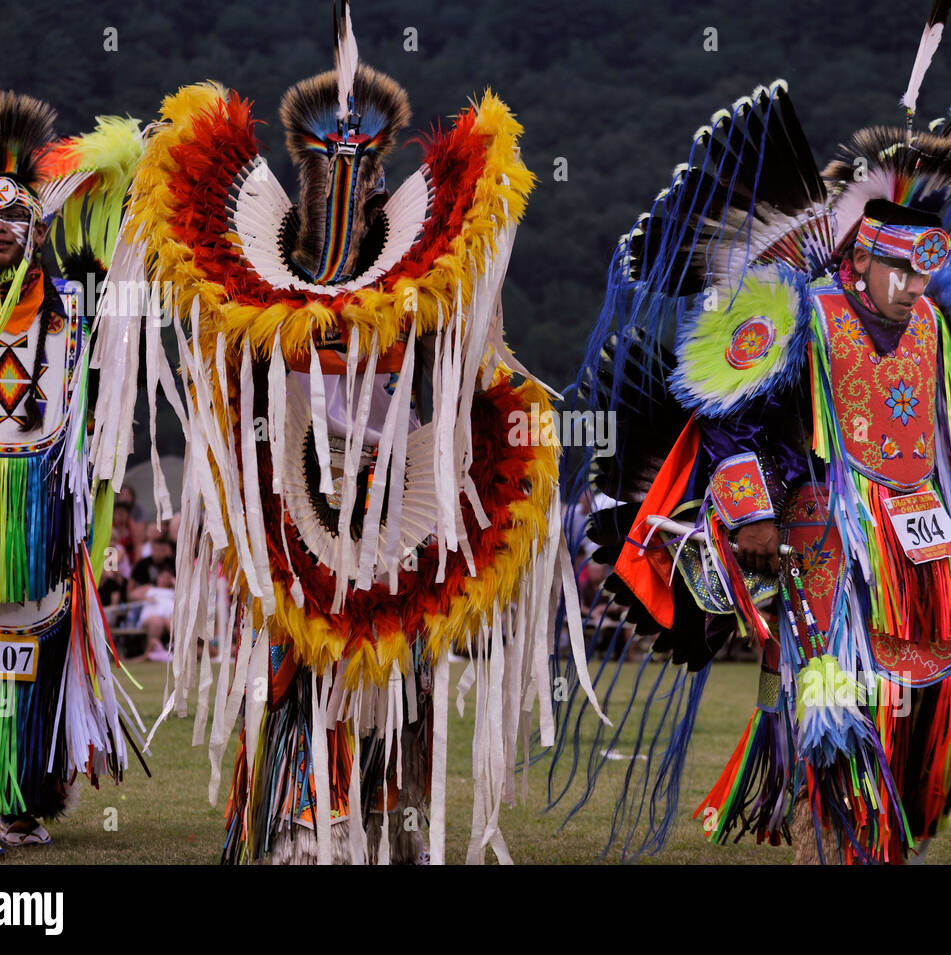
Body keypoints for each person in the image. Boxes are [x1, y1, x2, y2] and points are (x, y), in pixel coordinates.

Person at [96, 9, 595, 865]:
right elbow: (226, 366)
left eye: (363, 166)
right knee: (303, 669)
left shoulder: (426, 272)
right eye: (327, 164)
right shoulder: (248, 272)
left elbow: (478, 364)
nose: (346, 179)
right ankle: (307, 831)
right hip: (289, 501)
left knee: (402, 672)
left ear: (382, 177)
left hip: (403, 501)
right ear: (300, 168)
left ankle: (397, 831)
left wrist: (500, 407)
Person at [550, 3, 951, 865]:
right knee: (836, 704)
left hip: (919, 545)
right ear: (862, 255)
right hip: (824, 535)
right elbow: (730, 416)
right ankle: (828, 844)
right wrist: (752, 516)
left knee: (929, 690)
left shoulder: (934, 328)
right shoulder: (804, 312)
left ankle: (880, 839)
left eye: (928, 270)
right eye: (900, 269)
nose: (915, 286)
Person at [0, 55, 144, 861]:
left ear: (39, 230)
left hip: (45, 499)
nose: (3, 229)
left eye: (18, 220)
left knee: (34, 644)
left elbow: (125, 343)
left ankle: (19, 799)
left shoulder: (78, 306)